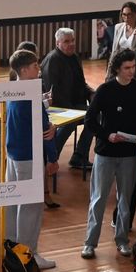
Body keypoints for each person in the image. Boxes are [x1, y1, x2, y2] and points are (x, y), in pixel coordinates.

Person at [82, 50, 136, 260]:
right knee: (98, 199)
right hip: (106, 153)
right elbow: (90, 120)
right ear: (117, 69)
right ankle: (89, 243)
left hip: (129, 154)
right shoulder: (105, 90)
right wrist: (107, 135)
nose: (131, 72)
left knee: (125, 200)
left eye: (133, 67)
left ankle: (122, 240)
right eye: (127, 68)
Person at [6, 49, 59, 270]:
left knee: (15, 205)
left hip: (14, 154)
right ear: (25, 69)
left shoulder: (13, 89)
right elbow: (44, 130)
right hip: (29, 156)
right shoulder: (30, 93)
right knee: (31, 208)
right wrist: (53, 157)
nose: (39, 69)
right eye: (36, 65)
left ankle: (12, 251)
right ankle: (29, 255)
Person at [44, 28, 96, 172]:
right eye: (66, 41)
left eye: (72, 40)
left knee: (96, 114)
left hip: (74, 105)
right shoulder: (53, 60)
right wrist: (72, 112)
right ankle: (51, 158)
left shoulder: (74, 57)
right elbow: (52, 93)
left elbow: (81, 83)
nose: (71, 44)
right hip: (56, 107)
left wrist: (92, 93)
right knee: (71, 122)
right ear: (58, 43)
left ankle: (79, 156)